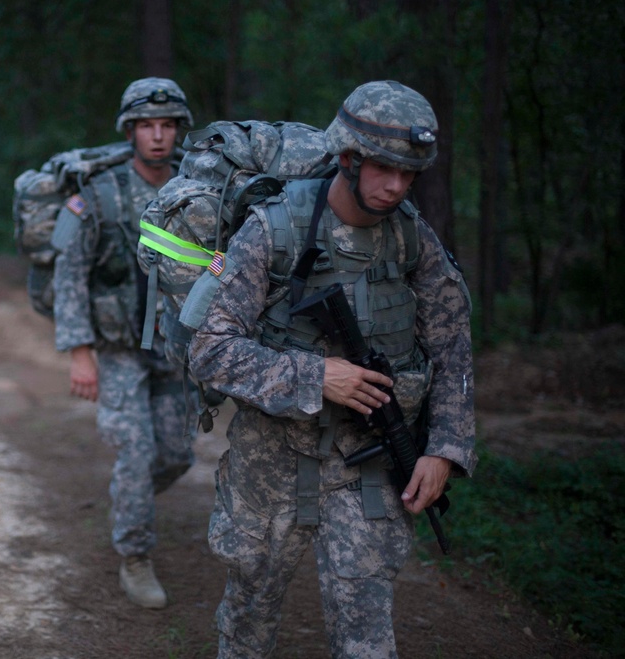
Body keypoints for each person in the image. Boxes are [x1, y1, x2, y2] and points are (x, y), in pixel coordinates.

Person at [184, 80, 478, 657]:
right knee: (249, 624)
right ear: (348, 158)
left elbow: (453, 346)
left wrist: (445, 448)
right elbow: (210, 350)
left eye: (410, 174)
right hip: (272, 463)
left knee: (367, 639)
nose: (397, 186)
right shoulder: (274, 229)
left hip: (367, 468)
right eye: (384, 168)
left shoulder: (411, 238)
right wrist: (316, 377)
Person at [50, 77, 198, 609]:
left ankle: (127, 500)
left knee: (177, 454)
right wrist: (80, 353)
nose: (157, 136)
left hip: (175, 346)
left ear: (178, 130)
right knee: (136, 454)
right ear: (130, 131)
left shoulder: (196, 186)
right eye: (146, 126)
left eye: (166, 125)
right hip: (116, 350)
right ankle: (134, 556)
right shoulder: (98, 192)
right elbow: (69, 273)